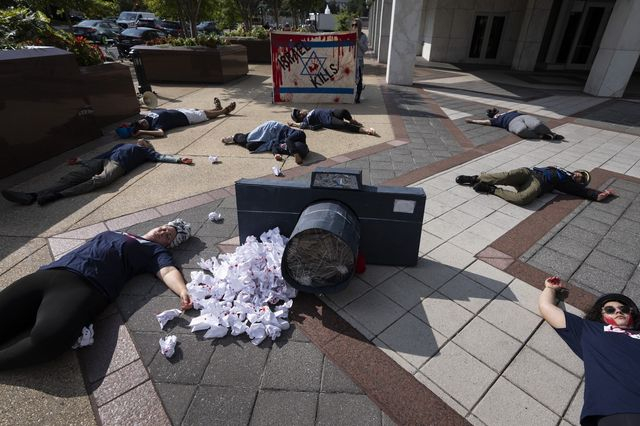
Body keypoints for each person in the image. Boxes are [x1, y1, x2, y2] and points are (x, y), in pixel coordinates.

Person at [0, 219, 193, 370]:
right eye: (164, 227)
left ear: (168, 245)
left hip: (84, 287)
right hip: (51, 273)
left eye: (168, 235)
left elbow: (167, 271)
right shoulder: (122, 233)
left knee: (48, 339)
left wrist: (183, 290)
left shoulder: (154, 251)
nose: (163, 231)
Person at [538, 277, 640, 425]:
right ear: (601, 315)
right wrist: (551, 289)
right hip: (614, 411)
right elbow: (546, 307)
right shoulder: (588, 330)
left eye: (623, 309)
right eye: (610, 310)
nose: (618, 311)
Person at [1, 139, 193, 206]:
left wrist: (178, 159)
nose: (142, 141)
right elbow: (103, 154)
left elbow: (160, 156)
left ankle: (55, 195)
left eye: (145, 141)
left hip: (119, 164)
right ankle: (31, 196)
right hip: (105, 160)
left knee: (101, 181)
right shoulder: (123, 144)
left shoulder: (145, 152)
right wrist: (82, 161)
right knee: (74, 176)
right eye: (141, 140)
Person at [455, 166, 615, 206]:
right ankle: (475, 178)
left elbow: (586, 193)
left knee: (523, 199)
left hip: (538, 184)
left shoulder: (569, 184)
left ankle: (490, 189)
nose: (579, 176)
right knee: (506, 175)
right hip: (528, 173)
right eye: (581, 173)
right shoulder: (560, 170)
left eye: (582, 179)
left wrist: (602, 194)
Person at [131, 97, 236, 138]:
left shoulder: (148, 116)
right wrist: (142, 132)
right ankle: (224, 111)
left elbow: (149, 108)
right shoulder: (155, 126)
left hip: (180, 110)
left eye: (139, 122)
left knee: (199, 111)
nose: (142, 122)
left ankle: (216, 109)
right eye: (142, 126)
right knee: (203, 114)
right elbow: (160, 133)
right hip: (185, 118)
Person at [221, 120, 309, 165]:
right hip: (272, 128)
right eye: (293, 152)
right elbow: (288, 140)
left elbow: (276, 146)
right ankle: (234, 137)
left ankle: (239, 138)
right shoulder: (300, 134)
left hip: (273, 139)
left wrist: (276, 154)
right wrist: (296, 154)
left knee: (250, 146)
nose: (291, 153)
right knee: (250, 137)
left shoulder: (289, 149)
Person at [465, 108, 564, 140]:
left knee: (537, 125)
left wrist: (500, 111)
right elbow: (483, 122)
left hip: (522, 117)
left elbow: (516, 109)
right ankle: (541, 136)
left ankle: (553, 134)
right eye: (491, 112)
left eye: (493, 111)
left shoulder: (508, 111)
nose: (493, 112)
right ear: (491, 115)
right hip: (511, 124)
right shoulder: (494, 120)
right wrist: (472, 121)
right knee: (521, 131)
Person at [289, 108, 377, 136]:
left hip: (332, 113)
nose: (300, 112)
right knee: (343, 125)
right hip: (329, 121)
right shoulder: (306, 120)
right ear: (300, 117)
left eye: (299, 111)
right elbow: (302, 125)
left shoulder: (310, 112)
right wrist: (294, 124)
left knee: (343, 111)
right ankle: (364, 130)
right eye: (299, 113)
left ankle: (352, 121)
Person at [353, 18, 368, 104]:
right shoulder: (349, 35)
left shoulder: (363, 36)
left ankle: (357, 97)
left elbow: (365, 49)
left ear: (360, 26)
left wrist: (358, 42)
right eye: (353, 25)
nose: (354, 27)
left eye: (356, 25)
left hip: (359, 60)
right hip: (350, 60)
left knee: (359, 80)